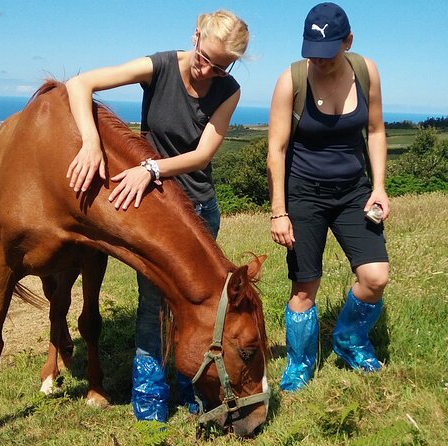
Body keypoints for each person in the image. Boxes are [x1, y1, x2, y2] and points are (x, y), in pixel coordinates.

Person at [65, 10, 249, 420]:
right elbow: (80, 84)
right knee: (153, 302)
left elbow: (202, 155)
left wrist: (150, 168)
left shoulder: (228, 90)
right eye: (204, 58)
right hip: (159, 213)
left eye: (221, 66)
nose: (208, 71)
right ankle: (148, 393)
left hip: (199, 208)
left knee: (197, 305)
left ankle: (191, 382)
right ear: (195, 36)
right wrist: (91, 144)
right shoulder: (161, 65)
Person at [266, 2, 390, 392]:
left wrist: (380, 186)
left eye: (327, 52)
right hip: (304, 193)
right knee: (305, 287)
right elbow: (277, 150)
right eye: (311, 53)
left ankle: (349, 338)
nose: (318, 61)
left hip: (354, 191)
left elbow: (375, 131)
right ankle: (300, 364)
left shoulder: (366, 72)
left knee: (375, 277)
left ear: (348, 41)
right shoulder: (291, 80)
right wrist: (279, 212)